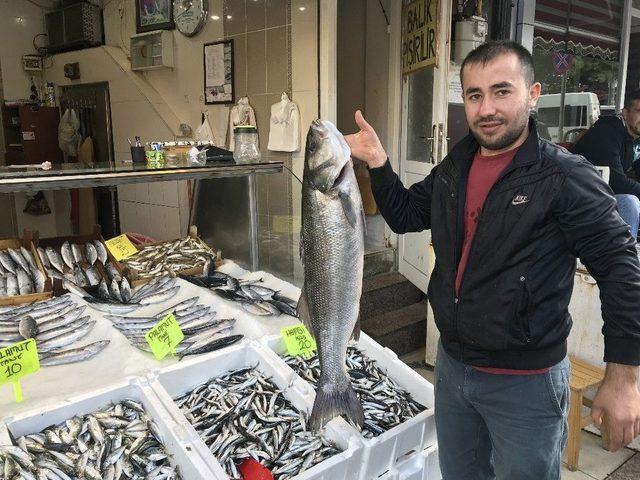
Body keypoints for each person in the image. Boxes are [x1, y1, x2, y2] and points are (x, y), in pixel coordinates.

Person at [345, 40, 640, 480]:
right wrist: (380, 163)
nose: (487, 108)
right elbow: (406, 215)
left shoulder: (564, 175)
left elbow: (622, 271)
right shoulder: (455, 166)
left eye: (502, 91)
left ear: (533, 93)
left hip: (526, 382)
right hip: (452, 368)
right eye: (474, 94)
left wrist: (624, 378)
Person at [572, 89, 640, 235]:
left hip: (602, 195)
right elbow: (616, 182)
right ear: (626, 114)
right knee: (629, 202)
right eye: (639, 111)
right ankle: (624, 257)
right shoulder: (607, 132)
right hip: (576, 196)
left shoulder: (635, 138)